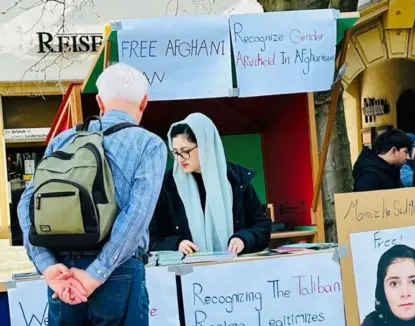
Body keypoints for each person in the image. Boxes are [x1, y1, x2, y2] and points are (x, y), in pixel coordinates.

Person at [17, 63, 167, 325]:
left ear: (99, 101)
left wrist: (47, 266)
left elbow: (27, 204)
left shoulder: (62, 141)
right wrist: (94, 275)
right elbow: (136, 216)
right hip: (118, 272)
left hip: (62, 274)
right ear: (144, 102)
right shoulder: (149, 144)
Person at [149, 113, 271, 255]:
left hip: (234, 268)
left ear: (205, 145)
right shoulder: (167, 186)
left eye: (185, 151)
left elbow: (262, 226)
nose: (179, 159)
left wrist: (243, 239)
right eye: (175, 153)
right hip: (186, 272)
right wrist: (176, 244)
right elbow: (150, 237)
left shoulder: (236, 179)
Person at [353, 127, 412, 192]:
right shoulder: (369, 176)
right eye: (405, 152)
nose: (407, 157)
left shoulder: (392, 170)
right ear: (394, 151)